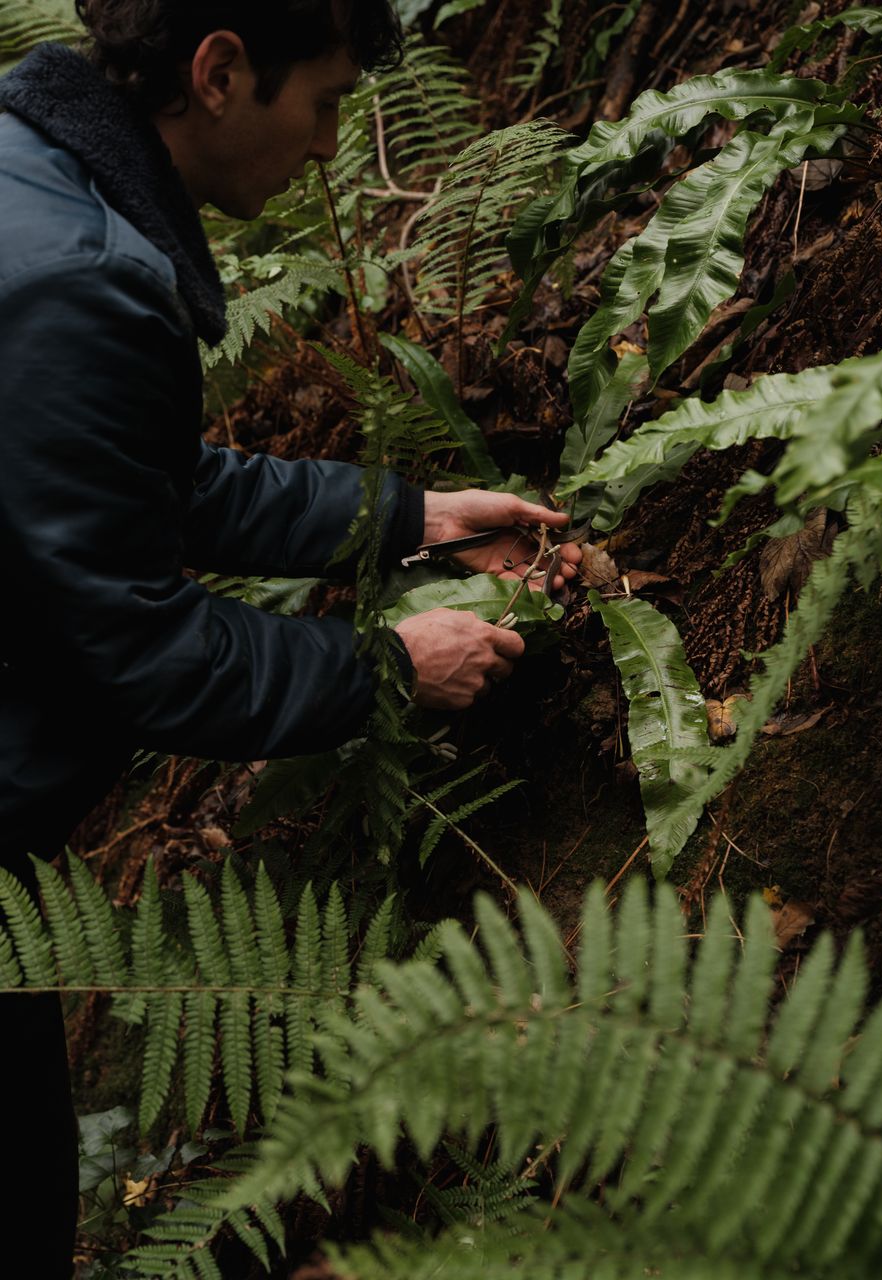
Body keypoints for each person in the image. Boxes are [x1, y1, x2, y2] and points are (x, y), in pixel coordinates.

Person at [0, 1, 580, 1272]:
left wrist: (409, 515)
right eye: (320, 106)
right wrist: (390, 666)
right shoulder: (79, 280)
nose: (330, 147)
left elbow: (140, 487)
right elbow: (144, 649)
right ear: (219, 74)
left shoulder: (30, 177)